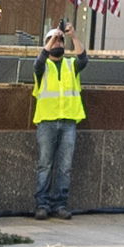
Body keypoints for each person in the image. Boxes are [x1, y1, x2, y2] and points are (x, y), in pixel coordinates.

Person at [26, 25, 86, 220]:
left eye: (60, 41)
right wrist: (52, 38)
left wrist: (73, 36)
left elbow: (83, 59)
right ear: (47, 44)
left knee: (65, 166)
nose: (58, 43)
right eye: (54, 41)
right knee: (45, 165)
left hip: (68, 121)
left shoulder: (70, 65)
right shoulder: (43, 67)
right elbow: (38, 62)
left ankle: (60, 205)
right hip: (47, 122)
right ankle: (42, 206)